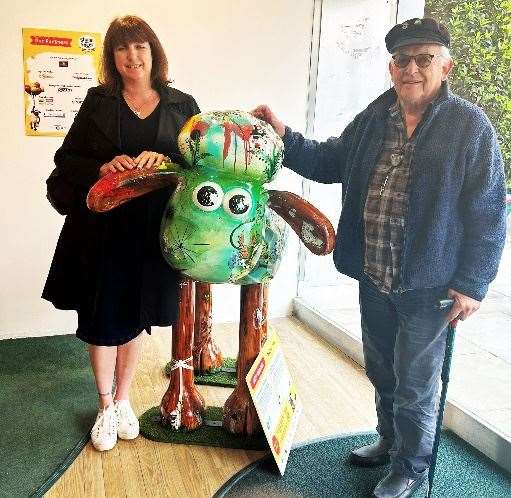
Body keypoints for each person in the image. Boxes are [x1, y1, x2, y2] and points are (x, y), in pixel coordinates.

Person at [253, 17, 506, 498]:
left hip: (428, 286)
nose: (411, 68)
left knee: (415, 384)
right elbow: (330, 161)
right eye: (402, 60)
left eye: (423, 58)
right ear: (392, 69)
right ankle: (389, 442)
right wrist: (282, 134)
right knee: (382, 371)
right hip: (375, 276)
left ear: (445, 66)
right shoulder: (376, 116)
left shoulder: (469, 126)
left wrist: (473, 282)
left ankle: (411, 466)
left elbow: (489, 209)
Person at [43, 15, 200, 452]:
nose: (133, 56)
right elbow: (66, 158)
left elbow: (199, 164)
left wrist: (164, 159)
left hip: (155, 229)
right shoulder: (98, 102)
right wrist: (102, 165)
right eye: (122, 49)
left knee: (135, 316)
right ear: (112, 58)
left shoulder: (182, 104)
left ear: (154, 52)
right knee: (102, 317)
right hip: (102, 230)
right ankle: (105, 405)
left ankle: (126, 399)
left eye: (140, 47)